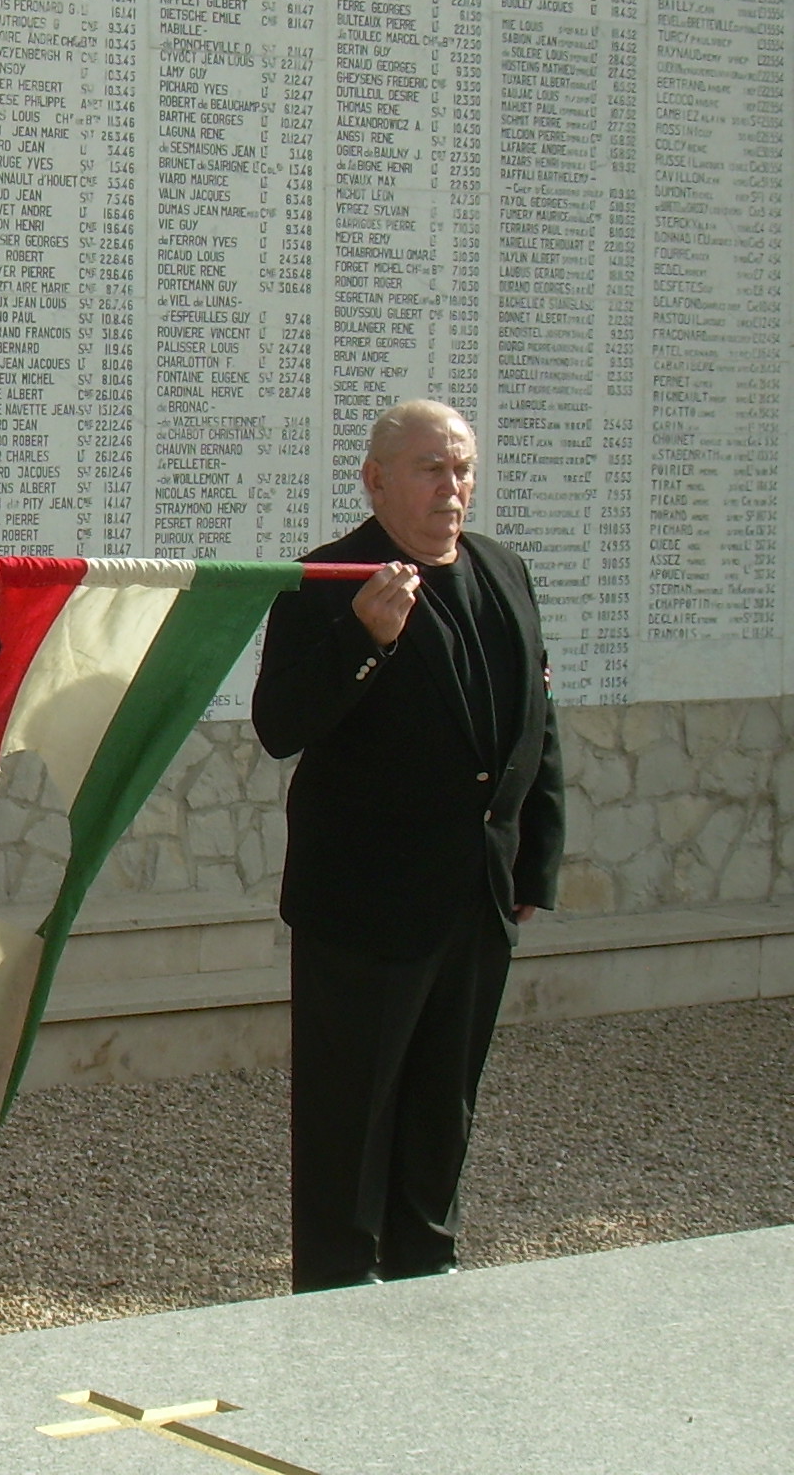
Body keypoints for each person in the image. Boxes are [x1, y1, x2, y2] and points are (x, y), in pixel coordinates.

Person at [252, 399, 563, 1293]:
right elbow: (281, 726)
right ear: (377, 481)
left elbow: (538, 726)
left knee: (442, 1115)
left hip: (476, 896)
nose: (452, 487)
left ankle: (429, 1272)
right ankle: (339, 1297)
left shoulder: (503, 570)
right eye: (431, 468)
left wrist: (533, 858)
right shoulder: (327, 579)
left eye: (462, 468)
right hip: (367, 906)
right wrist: (366, 638)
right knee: (349, 1128)